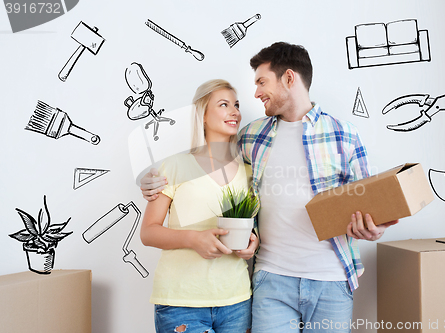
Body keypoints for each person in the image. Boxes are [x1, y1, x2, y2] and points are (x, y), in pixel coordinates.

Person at [141, 42, 398, 332]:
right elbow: (206, 160)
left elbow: (370, 202)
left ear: (289, 78)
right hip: (271, 281)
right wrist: (149, 180)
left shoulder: (344, 134)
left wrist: (374, 229)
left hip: (331, 277)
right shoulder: (251, 136)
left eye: (262, 81)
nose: (255, 93)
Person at [140, 79, 257, 333]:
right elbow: (148, 232)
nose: (234, 111)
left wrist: (252, 242)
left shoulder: (248, 172)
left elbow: (253, 225)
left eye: (236, 105)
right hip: (180, 302)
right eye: (224, 105)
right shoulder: (174, 166)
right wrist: (194, 239)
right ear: (202, 115)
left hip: (236, 301)